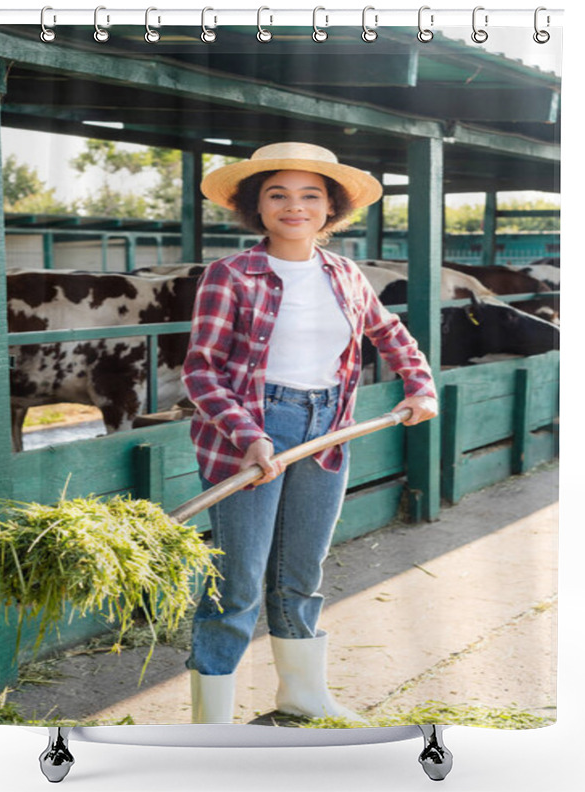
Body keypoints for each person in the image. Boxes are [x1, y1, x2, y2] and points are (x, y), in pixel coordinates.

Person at [182, 142, 438, 724]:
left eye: (309, 196)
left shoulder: (345, 273)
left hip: (329, 428)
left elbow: (389, 332)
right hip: (253, 429)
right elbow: (200, 368)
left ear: (330, 208)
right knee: (239, 580)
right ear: (256, 205)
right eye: (278, 194)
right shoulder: (231, 274)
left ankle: (301, 695)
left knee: (302, 572)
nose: (294, 207)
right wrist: (248, 432)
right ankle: (211, 721)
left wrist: (419, 384)